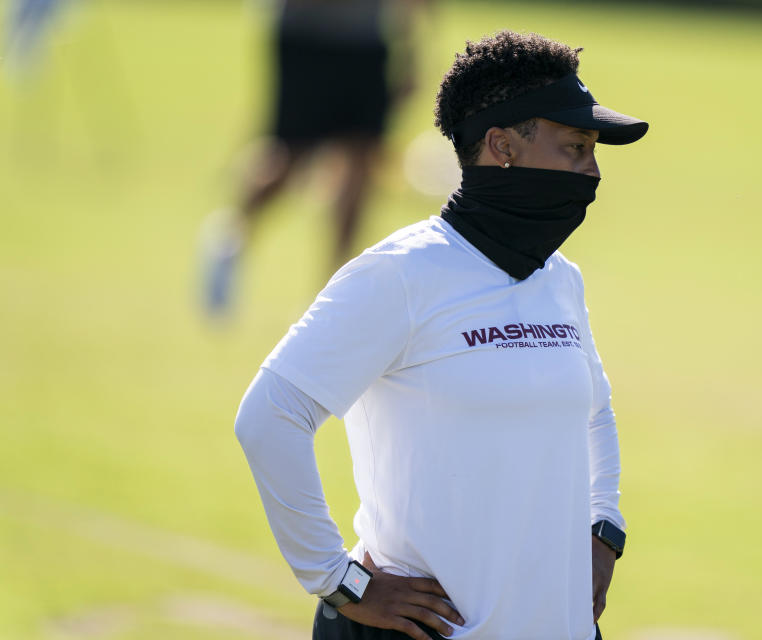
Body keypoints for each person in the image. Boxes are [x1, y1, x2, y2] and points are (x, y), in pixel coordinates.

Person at [235, 30, 648, 640]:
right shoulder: (399, 275)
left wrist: (603, 529)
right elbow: (269, 417)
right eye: (575, 147)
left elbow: (594, 413)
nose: (591, 172)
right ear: (502, 146)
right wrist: (338, 580)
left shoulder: (560, 279)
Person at [201, 0, 427, 315]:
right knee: (290, 158)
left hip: (365, 38)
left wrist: (412, 47)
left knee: (361, 161)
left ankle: (336, 291)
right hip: (305, 34)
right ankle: (229, 238)